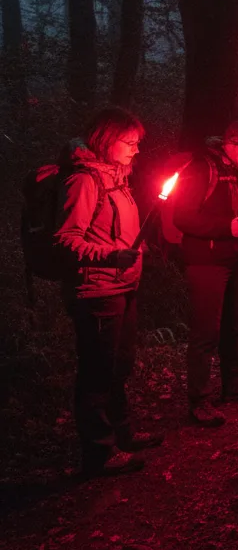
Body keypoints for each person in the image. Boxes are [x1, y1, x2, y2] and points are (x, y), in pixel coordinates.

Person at [55, 107, 163, 477]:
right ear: (107, 139)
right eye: (129, 142)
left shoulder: (117, 178)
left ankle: (122, 434)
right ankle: (99, 453)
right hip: (97, 291)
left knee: (119, 367)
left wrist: (133, 252)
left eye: (137, 143)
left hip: (123, 285)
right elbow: (66, 241)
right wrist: (112, 255)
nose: (136, 150)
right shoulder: (85, 181)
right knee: (97, 374)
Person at [173, 118, 238, 428]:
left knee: (235, 326)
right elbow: (182, 217)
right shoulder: (202, 169)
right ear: (231, 145)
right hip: (208, 261)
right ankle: (199, 401)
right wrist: (227, 228)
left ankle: (233, 386)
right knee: (205, 333)